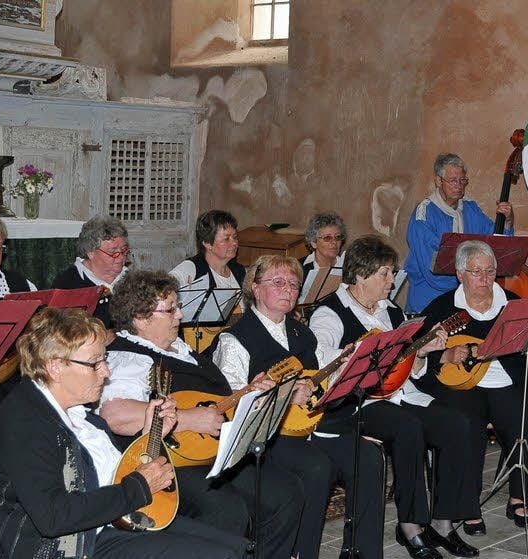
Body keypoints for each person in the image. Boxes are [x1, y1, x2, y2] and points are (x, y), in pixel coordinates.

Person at [0, 307, 247, 558]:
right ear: (55, 367)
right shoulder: (23, 422)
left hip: (114, 522)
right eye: (94, 363)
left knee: (239, 548)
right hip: (75, 545)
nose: (106, 372)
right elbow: (54, 516)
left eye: (104, 360)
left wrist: (149, 434)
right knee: (221, 555)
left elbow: (105, 470)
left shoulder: (80, 413)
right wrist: (140, 486)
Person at [98, 270, 303, 559]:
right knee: (227, 509)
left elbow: (215, 403)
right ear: (141, 319)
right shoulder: (127, 356)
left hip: (213, 451)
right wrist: (185, 418)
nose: (180, 315)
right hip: (171, 461)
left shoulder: (182, 350)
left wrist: (251, 394)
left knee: (286, 492)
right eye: (170, 309)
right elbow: (114, 415)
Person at [310, 235, 481, 559]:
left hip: (401, 394)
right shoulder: (330, 312)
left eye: (391, 273)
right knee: (407, 428)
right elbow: (321, 360)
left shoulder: (391, 310)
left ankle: (443, 523)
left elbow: (410, 367)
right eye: (385, 274)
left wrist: (422, 352)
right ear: (360, 276)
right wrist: (355, 353)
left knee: (457, 424)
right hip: (357, 402)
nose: (392, 281)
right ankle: (411, 525)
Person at [212, 254, 386, 559]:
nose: (288, 289)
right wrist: (281, 395)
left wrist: (345, 365)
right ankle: (302, 553)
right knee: (317, 467)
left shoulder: (301, 332)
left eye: (293, 284)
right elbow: (230, 404)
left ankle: (361, 550)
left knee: (368, 456)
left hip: (311, 422)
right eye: (277, 282)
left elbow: (322, 379)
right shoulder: (235, 339)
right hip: (268, 433)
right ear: (254, 287)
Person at [419, 240, 528, 529]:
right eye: (476, 272)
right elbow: (419, 350)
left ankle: (519, 497)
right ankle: (469, 505)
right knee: (466, 428)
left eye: (490, 271)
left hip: (506, 380)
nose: (485, 279)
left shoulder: (514, 304)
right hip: (463, 385)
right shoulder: (442, 307)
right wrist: (445, 354)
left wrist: (527, 346)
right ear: (460, 274)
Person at [405, 153, 513, 314]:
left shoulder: (471, 209)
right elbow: (431, 269)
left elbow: (498, 246)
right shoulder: (424, 215)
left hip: (467, 302)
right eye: (453, 180)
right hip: (430, 302)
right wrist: (470, 285)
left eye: (463, 180)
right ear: (438, 181)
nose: (459, 185)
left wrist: (508, 221)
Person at [169, 210, 245, 352]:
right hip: (200, 351)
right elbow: (162, 289)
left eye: (235, 237)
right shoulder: (191, 268)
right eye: (226, 239)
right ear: (207, 243)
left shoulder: (240, 272)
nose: (234, 243)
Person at [52, 215, 131, 328]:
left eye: (124, 250)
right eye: (112, 252)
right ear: (90, 252)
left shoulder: (132, 280)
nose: (121, 257)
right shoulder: (68, 284)